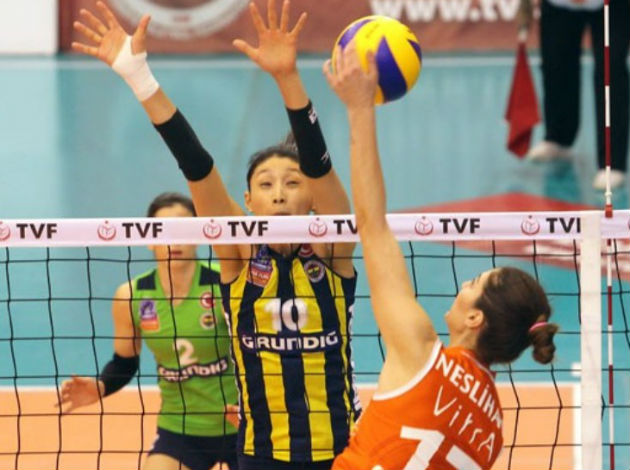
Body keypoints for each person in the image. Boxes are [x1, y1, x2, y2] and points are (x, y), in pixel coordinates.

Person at [71, 2, 360, 469]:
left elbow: (321, 168)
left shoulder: (332, 250)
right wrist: (139, 78)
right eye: (265, 184)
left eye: (293, 183)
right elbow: (196, 165)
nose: (279, 193)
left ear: (311, 196)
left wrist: (288, 79)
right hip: (261, 453)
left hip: (342, 450)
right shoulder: (238, 255)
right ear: (248, 201)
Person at [324, 42, 559, 469]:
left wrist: (359, 109)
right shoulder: (493, 430)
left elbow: (372, 227)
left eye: (474, 284)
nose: (463, 284)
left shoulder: (420, 351)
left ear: (475, 318)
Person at [59, 192, 239, 470]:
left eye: (183, 229)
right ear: (149, 239)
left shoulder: (226, 283)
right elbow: (125, 362)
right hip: (181, 430)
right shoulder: (131, 296)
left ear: (198, 234)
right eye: (163, 230)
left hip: (243, 425)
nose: (174, 240)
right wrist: (102, 386)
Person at [519, 0, 630, 190]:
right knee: (555, 62)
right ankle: (558, 137)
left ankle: (612, 163)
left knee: (610, 70)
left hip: (611, 5)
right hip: (559, 4)